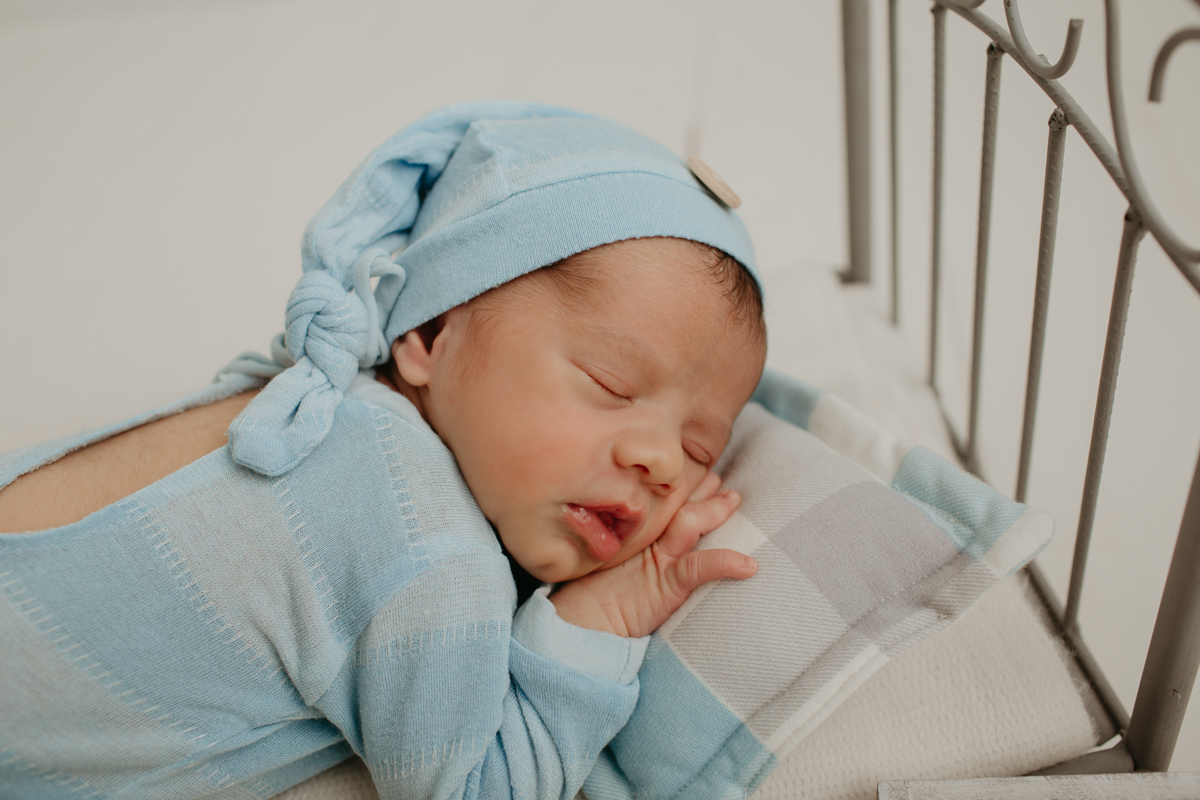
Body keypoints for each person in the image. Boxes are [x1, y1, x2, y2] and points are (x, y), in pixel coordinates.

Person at [0, 101, 766, 799]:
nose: (661, 462)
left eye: (700, 447)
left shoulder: (311, 399)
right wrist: (603, 617)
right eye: (610, 383)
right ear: (429, 334)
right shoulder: (423, 540)